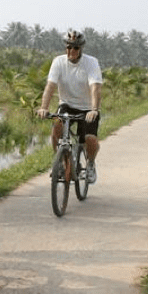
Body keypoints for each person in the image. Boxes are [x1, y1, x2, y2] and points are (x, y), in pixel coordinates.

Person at [36, 29, 103, 183]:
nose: (71, 51)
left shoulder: (91, 62)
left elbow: (95, 88)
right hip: (66, 104)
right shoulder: (58, 62)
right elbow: (50, 86)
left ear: (81, 49)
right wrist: (44, 107)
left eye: (75, 48)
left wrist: (94, 110)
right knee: (56, 128)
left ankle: (91, 164)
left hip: (87, 108)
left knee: (90, 139)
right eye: (69, 47)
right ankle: (58, 161)